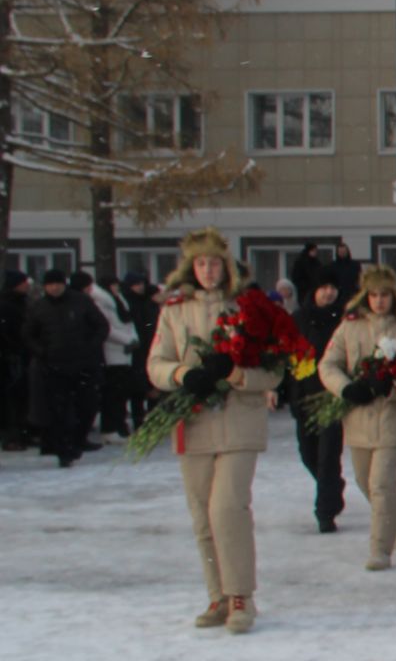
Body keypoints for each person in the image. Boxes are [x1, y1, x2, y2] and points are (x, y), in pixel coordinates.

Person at [148, 230, 285, 632]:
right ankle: (218, 594)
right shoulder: (174, 310)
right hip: (193, 422)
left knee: (227, 508)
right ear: (191, 268)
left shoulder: (249, 307)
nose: (208, 271)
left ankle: (241, 594)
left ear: (228, 268)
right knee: (202, 514)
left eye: (215, 264)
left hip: (239, 420)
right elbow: (156, 361)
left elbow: (276, 370)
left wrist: (239, 373)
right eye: (201, 263)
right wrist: (181, 374)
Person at [319, 265, 396, 570]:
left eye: (385, 295)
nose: (379, 301)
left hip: (394, 416)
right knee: (365, 481)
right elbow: (328, 365)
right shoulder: (349, 328)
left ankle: (380, 549)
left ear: (394, 297)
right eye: (374, 295)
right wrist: (347, 389)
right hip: (358, 416)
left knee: (382, 483)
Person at [24, 269, 108, 467]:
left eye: (57, 284)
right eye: (50, 284)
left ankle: (77, 442)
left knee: (86, 406)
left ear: (64, 284)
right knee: (59, 411)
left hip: (83, 364)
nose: (54, 288)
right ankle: (64, 450)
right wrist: (41, 352)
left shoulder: (81, 302)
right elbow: (28, 334)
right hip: (54, 366)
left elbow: (101, 326)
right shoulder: (39, 307)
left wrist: (90, 347)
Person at [290, 276, 347, 531]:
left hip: (331, 396)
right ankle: (333, 487)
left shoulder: (342, 318)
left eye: (332, 287)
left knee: (327, 456)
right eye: (323, 288)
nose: (328, 293)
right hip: (304, 393)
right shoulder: (298, 319)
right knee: (307, 453)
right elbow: (288, 356)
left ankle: (325, 512)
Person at [82, 271, 138, 439]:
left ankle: (118, 426)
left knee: (120, 393)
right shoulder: (102, 301)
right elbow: (108, 328)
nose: (116, 287)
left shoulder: (117, 299)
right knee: (112, 394)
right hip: (113, 351)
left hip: (124, 351)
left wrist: (132, 339)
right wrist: (127, 340)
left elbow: (126, 321)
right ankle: (110, 428)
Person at [122, 272, 160, 430]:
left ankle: (152, 419)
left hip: (148, 345)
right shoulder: (128, 302)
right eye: (136, 284)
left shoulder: (145, 302)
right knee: (137, 387)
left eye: (142, 284)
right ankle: (139, 420)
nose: (140, 287)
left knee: (151, 383)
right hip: (136, 347)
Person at [1, 269, 32, 449]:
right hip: (12, 357)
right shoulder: (9, 305)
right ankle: (13, 435)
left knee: (17, 399)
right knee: (13, 400)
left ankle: (19, 434)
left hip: (17, 355)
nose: (27, 285)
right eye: (23, 282)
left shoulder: (21, 303)